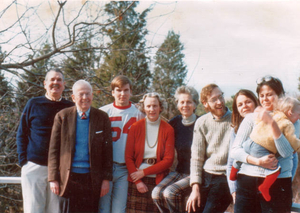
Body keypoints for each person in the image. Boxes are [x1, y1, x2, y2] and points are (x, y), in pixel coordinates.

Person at [231, 75, 300, 213]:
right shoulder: (251, 118)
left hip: (278, 183)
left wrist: (272, 123)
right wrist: (257, 161)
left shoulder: (293, 121)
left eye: (269, 95)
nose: (265, 99)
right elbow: (235, 151)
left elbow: (286, 152)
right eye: (261, 95)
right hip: (247, 181)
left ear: (280, 95)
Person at [48, 80, 113, 212]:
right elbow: (53, 150)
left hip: (92, 179)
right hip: (67, 179)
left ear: (92, 95)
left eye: (88, 94)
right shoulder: (62, 116)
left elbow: (107, 151)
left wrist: (106, 179)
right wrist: (53, 178)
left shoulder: (102, 117)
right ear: (73, 97)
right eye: (81, 94)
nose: (85, 98)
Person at [16, 69, 74, 213]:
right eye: (52, 80)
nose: (56, 83)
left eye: (59, 80)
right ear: (45, 84)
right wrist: (24, 162)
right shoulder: (33, 104)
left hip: (59, 170)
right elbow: (21, 133)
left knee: (55, 210)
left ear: (64, 84)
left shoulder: (70, 107)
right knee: (33, 209)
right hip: (34, 166)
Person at [99, 75, 144, 213]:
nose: (122, 94)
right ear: (112, 92)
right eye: (118, 90)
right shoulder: (103, 112)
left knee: (119, 209)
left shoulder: (138, 114)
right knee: (103, 208)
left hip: (125, 168)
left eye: (126, 90)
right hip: (105, 167)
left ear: (131, 92)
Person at [186, 84, 232, 213]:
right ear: (205, 104)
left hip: (225, 177)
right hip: (206, 175)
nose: (219, 102)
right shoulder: (201, 122)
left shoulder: (236, 119)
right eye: (214, 99)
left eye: (220, 97)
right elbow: (196, 157)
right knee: (191, 209)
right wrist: (195, 188)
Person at [152, 86, 199, 213]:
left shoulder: (201, 122)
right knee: (156, 193)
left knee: (170, 192)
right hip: (179, 170)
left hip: (196, 172)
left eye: (189, 102)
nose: (185, 105)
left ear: (195, 104)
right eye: (182, 102)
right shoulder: (174, 123)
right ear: (177, 104)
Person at [125, 92, 175, 213]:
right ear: (144, 108)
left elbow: (168, 160)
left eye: (155, 106)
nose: (151, 109)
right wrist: (138, 181)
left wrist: (144, 172)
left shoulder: (168, 129)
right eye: (148, 106)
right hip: (137, 180)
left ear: (160, 107)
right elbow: (128, 157)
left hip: (158, 180)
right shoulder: (135, 127)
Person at [226, 89, 259, 203]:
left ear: (255, 102)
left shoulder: (268, 124)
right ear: (237, 110)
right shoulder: (235, 131)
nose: (244, 106)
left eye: (248, 102)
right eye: (240, 104)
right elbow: (231, 163)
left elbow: (291, 158)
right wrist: (234, 190)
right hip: (244, 184)